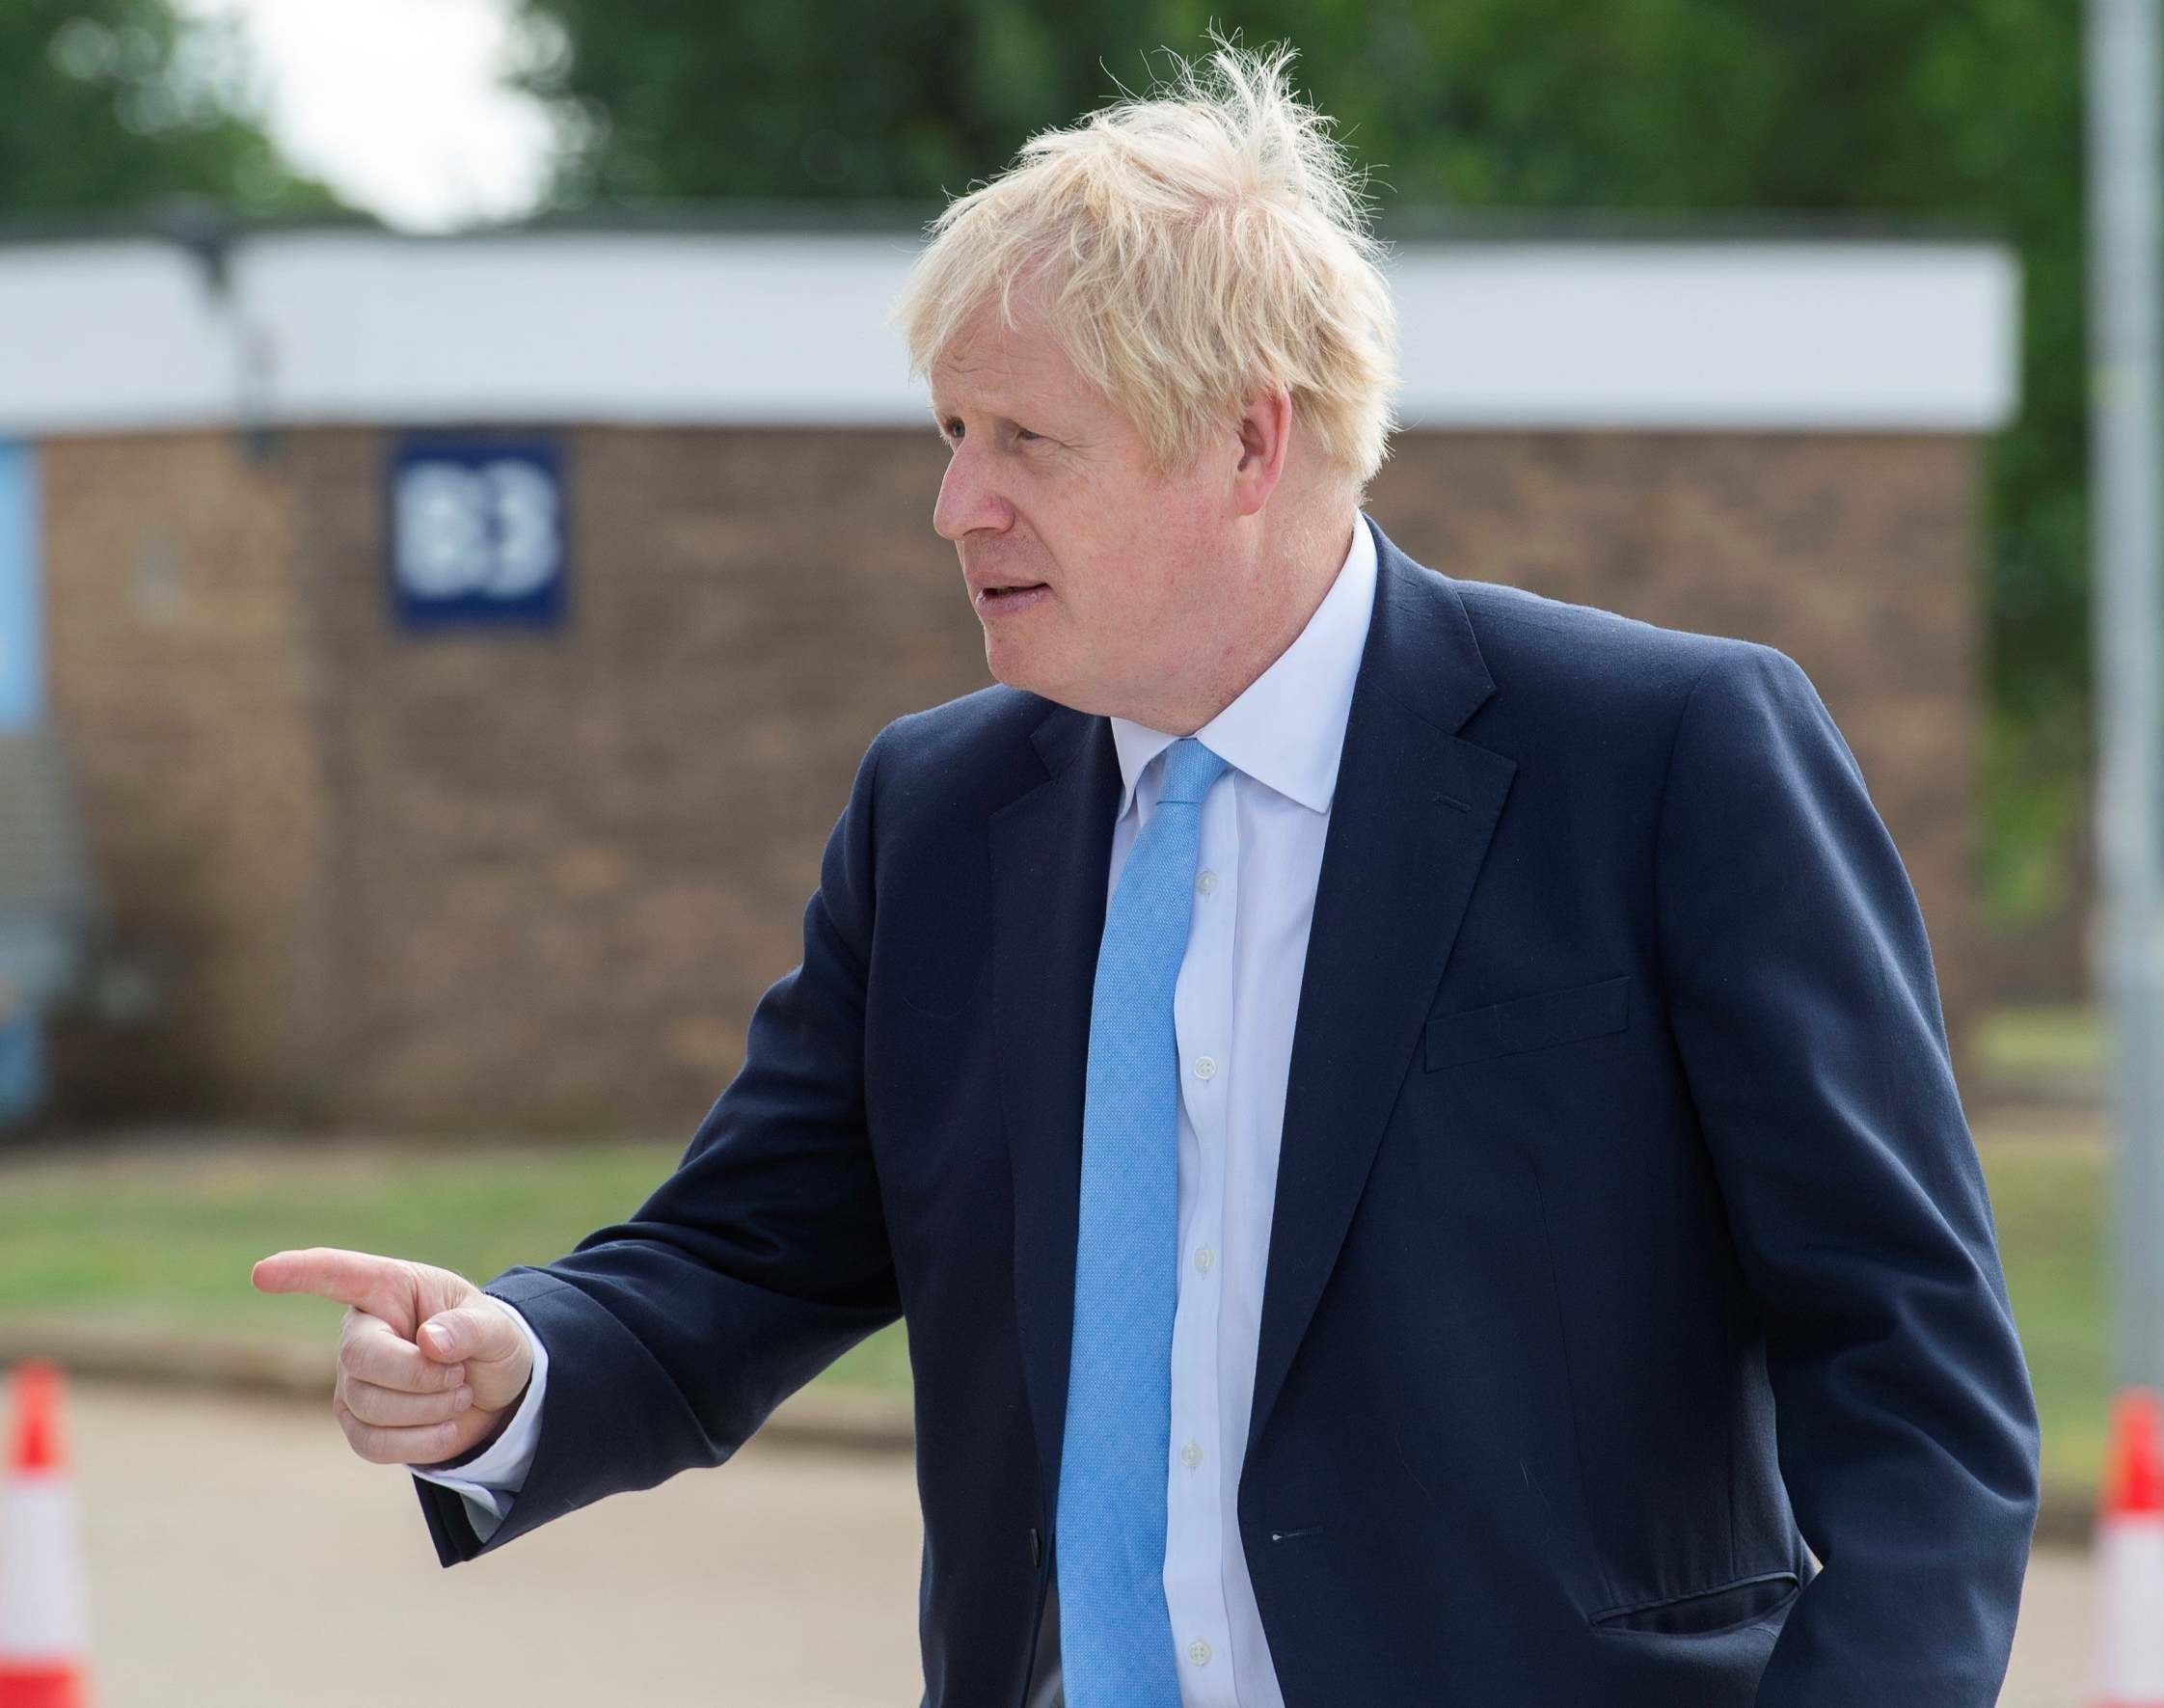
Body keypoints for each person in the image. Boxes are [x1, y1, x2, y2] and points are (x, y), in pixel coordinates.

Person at [252, 38, 2040, 1708]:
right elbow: (750, 1246)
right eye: (950, 437)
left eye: (1024, 442)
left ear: (1249, 442)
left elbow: (1909, 1368)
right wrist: (519, 1363)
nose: (959, 507)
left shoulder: (1660, 756)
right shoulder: (937, 811)